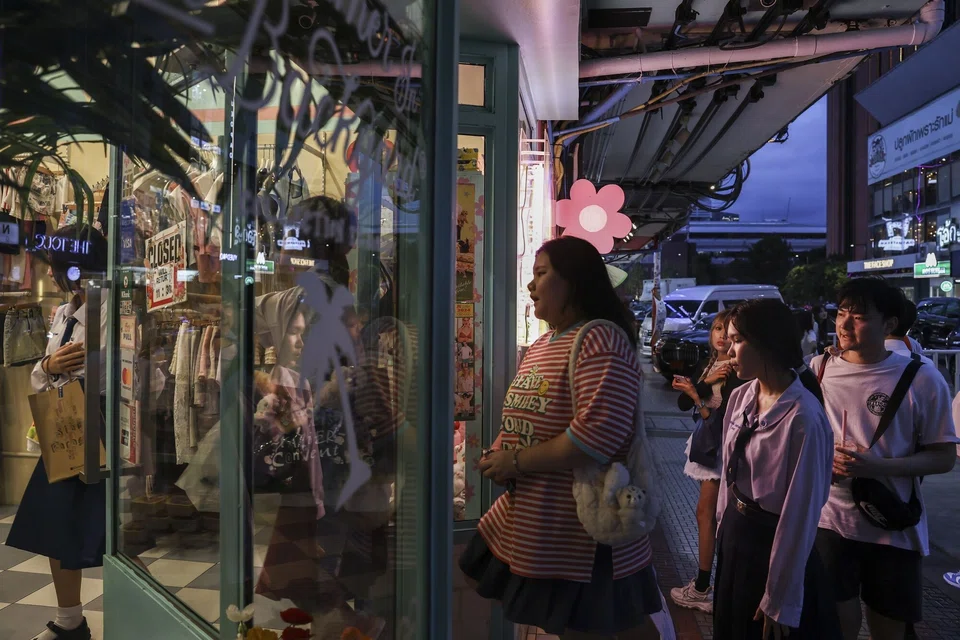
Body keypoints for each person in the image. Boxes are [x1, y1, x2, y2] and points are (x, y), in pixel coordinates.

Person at [460, 236, 662, 639]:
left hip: (582, 530)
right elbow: (529, 416)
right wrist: (500, 452)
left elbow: (598, 436)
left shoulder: (600, 339)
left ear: (574, 281)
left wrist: (515, 462)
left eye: (541, 273)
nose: (530, 285)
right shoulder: (542, 344)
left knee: (598, 629)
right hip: (536, 517)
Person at [812, 278, 958, 640]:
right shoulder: (818, 369)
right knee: (834, 620)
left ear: (889, 323)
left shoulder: (922, 378)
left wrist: (875, 467)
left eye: (859, 317)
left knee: (888, 625)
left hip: (892, 525)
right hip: (828, 519)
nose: (844, 324)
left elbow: (943, 458)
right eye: (841, 313)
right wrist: (822, 460)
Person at [714, 299, 841, 640]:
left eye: (737, 340)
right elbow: (728, 475)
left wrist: (781, 596)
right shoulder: (741, 396)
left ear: (767, 342)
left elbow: (801, 513)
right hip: (737, 535)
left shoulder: (804, 417)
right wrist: (723, 529)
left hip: (772, 544)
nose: (729, 351)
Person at [6, 224, 108, 640]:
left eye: (56, 265)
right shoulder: (65, 313)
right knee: (56, 528)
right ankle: (70, 621)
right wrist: (49, 367)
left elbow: (119, 375)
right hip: (65, 431)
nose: (49, 273)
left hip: (100, 430)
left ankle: (139, 618)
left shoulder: (109, 312)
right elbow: (43, 373)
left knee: (105, 533)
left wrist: (66, 371)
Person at [669, 309, 744, 613]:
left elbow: (721, 419)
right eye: (717, 329)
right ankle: (708, 584)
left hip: (723, 450)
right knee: (706, 514)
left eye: (728, 330)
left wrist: (697, 395)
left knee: (710, 515)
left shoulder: (736, 371)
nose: (722, 336)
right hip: (709, 447)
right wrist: (701, 385)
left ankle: (704, 587)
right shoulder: (710, 364)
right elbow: (682, 402)